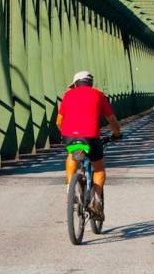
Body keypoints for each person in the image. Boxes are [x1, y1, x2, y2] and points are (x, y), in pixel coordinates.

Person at [57, 70, 121, 219]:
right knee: (98, 169)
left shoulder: (68, 95)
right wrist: (117, 134)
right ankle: (96, 202)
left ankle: (69, 189)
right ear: (90, 84)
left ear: (75, 84)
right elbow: (112, 120)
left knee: (72, 156)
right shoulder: (99, 95)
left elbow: (59, 121)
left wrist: (66, 134)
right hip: (91, 137)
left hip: (70, 136)